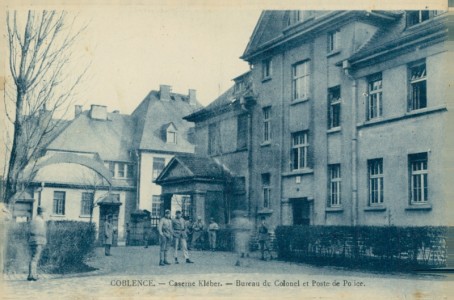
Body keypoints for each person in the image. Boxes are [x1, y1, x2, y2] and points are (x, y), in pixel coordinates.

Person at [28, 206, 47, 281]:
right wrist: (44, 239)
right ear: (41, 212)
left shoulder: (34, 219)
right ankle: (33, 275)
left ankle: (31, 274)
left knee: (33, 258)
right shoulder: (40, 221)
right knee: (35, 258)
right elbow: (41, 232)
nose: (45, 215)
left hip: (32, 240)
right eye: (44, 213)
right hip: (38, 241)